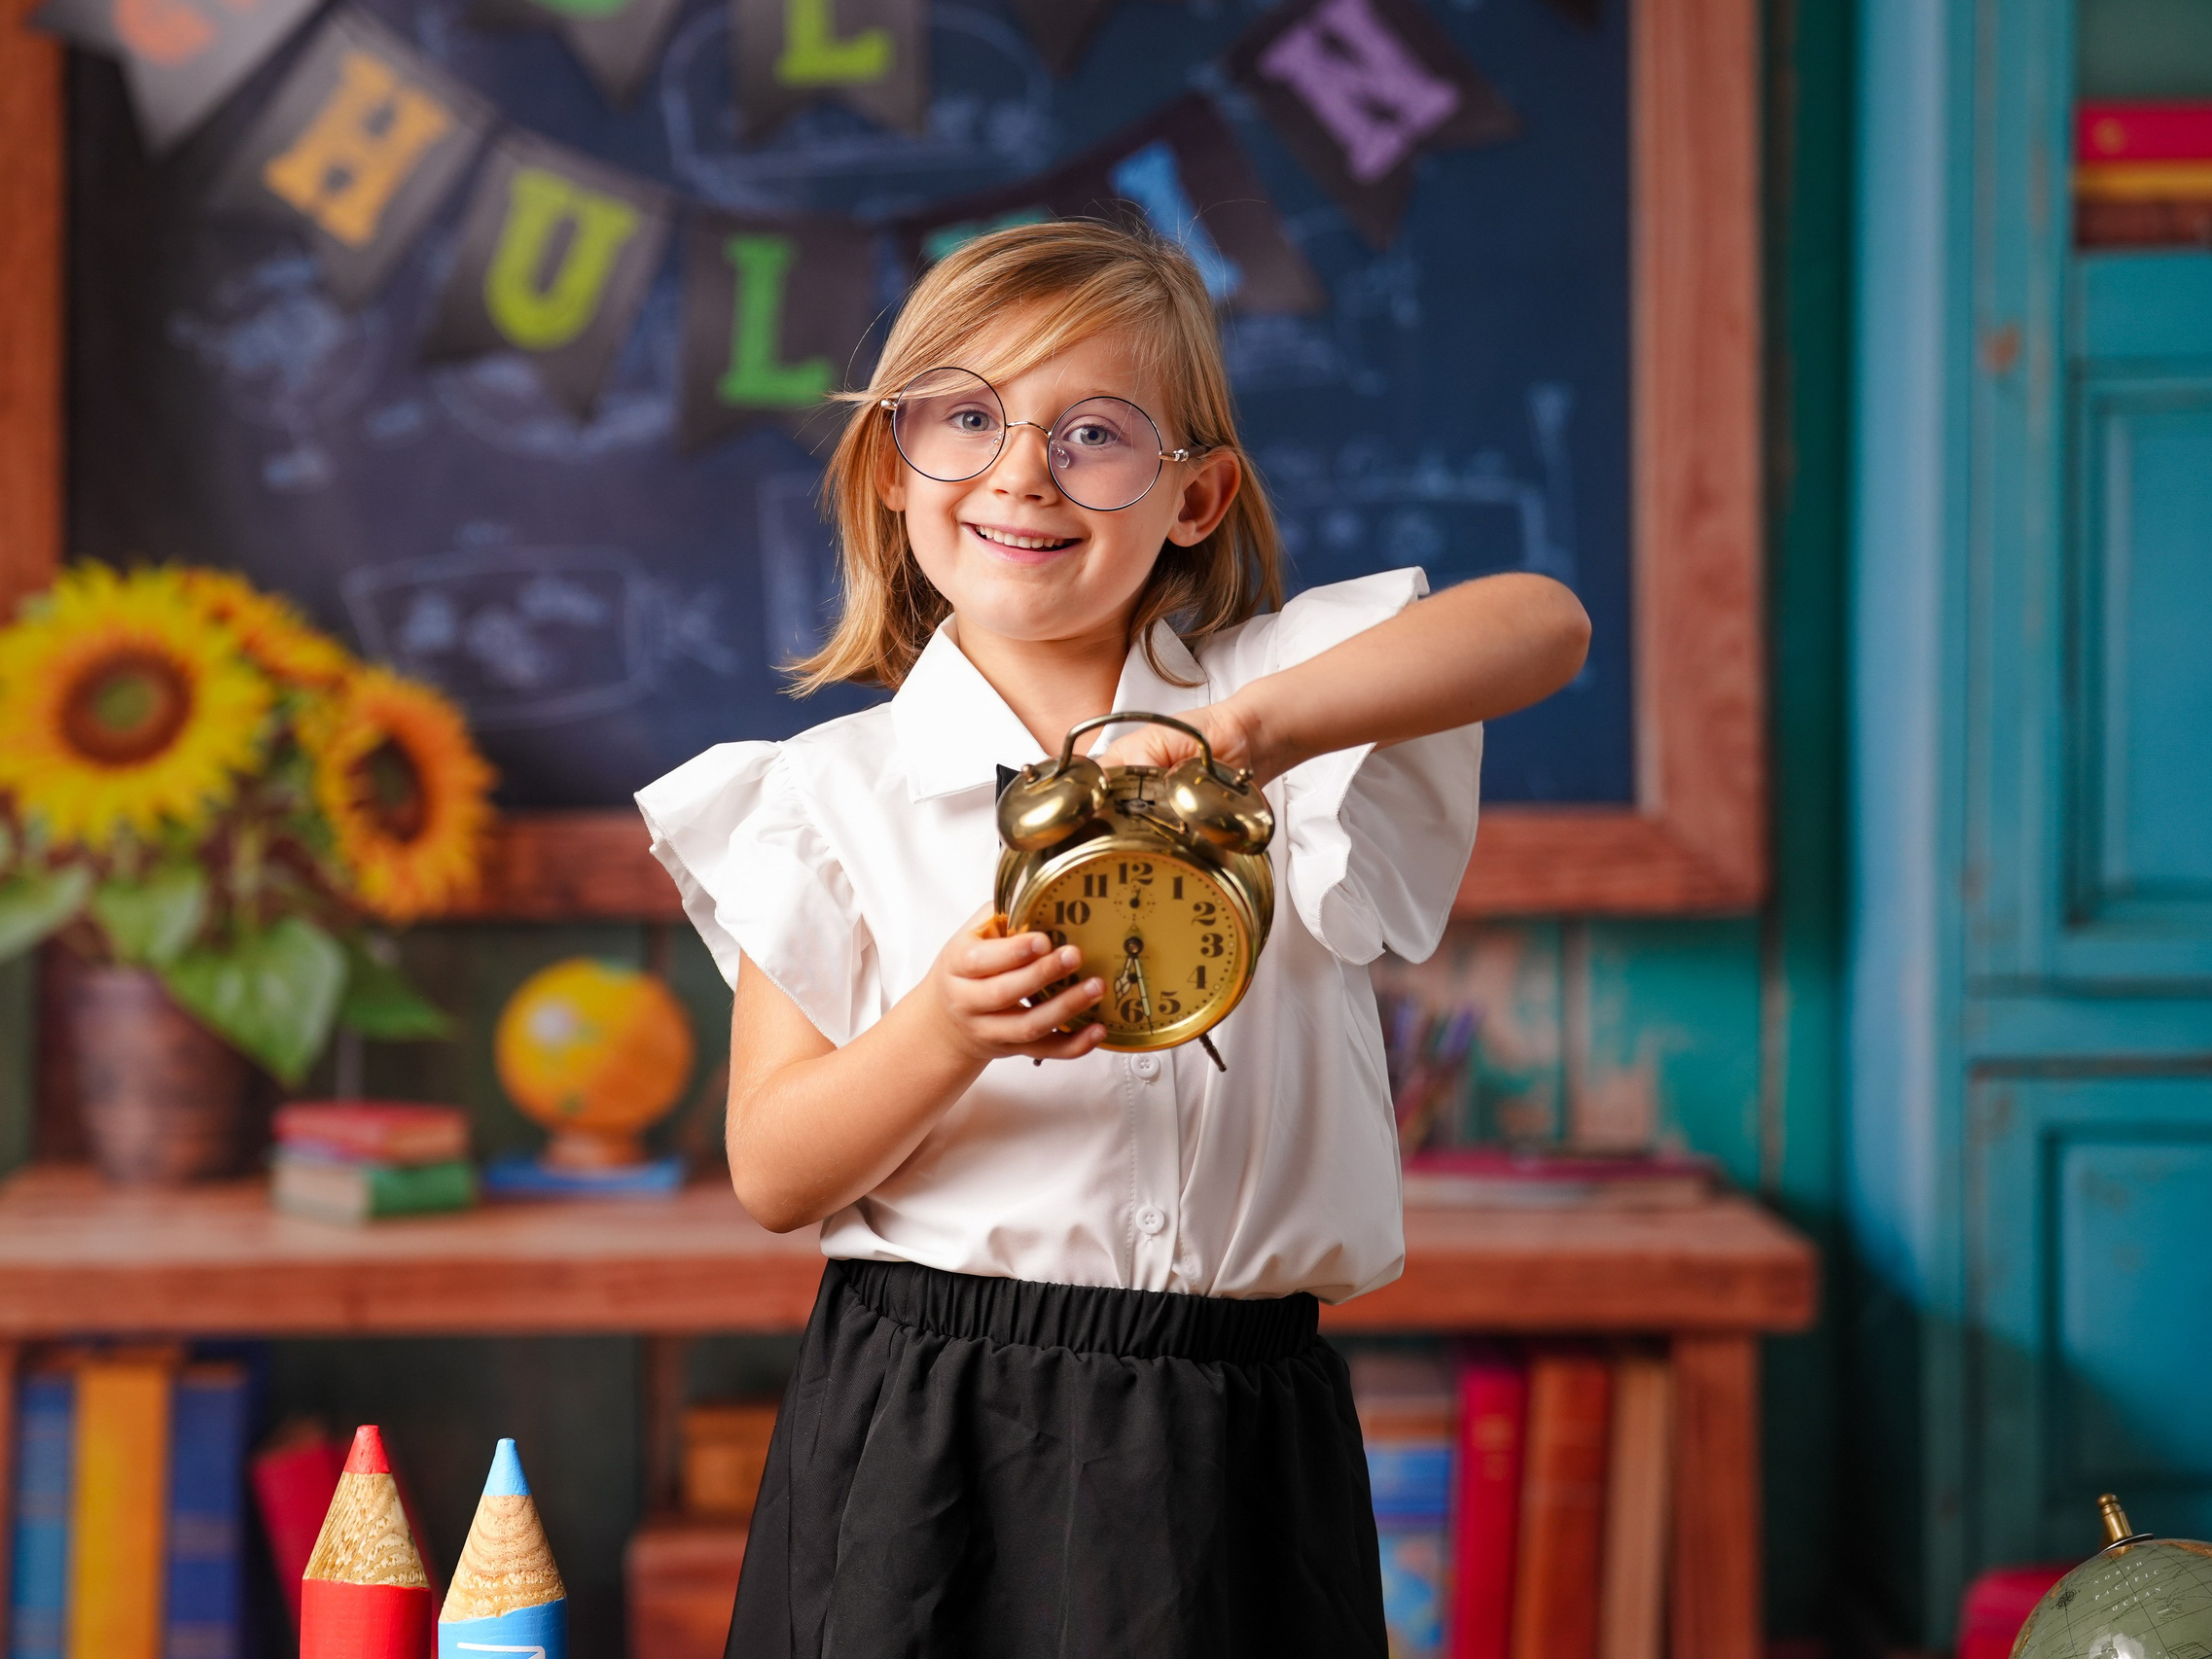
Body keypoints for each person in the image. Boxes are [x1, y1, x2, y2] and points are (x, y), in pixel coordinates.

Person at [637, 219, 1590, 1658]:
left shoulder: (1281, 708)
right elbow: (774, 1169)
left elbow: (1545, 623)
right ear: (895, 466)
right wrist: (944, 1029)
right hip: (936, 1425)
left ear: (1197, 494)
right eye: (966, 417)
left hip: (1238, 1421)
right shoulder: (826, 797)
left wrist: (1241, 734)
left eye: (1093, 433)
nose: (1021, 471)